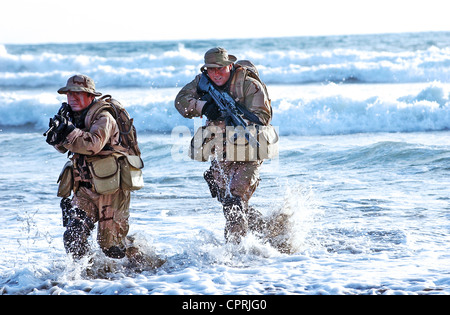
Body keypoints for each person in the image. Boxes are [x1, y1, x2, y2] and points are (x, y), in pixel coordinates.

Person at [175, 47, 274, 243]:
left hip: (249, 154)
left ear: (230, 66)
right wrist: (204, 107)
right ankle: (266, 230)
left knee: (234, 202)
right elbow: (180, 102)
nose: (216, 73)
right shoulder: (201, 82)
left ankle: (234, 254)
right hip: (221, 154)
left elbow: (263, 118)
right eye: (211, 70)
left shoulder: (248, 84)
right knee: (227, 200)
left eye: (220, 68)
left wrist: (231, 118)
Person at [46, 74, 140, 260]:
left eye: (78, 93)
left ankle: (142, 259)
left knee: (112, 247)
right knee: (74, 235)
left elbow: (93, 145)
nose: (72, 98)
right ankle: (83, 278)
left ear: (90, 96)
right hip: (84, 189)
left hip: (111, 190)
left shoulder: (104, 117)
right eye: (69, 93)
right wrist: (57, 135)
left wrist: (69, 131)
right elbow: (63, 147)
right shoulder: (71, 116)